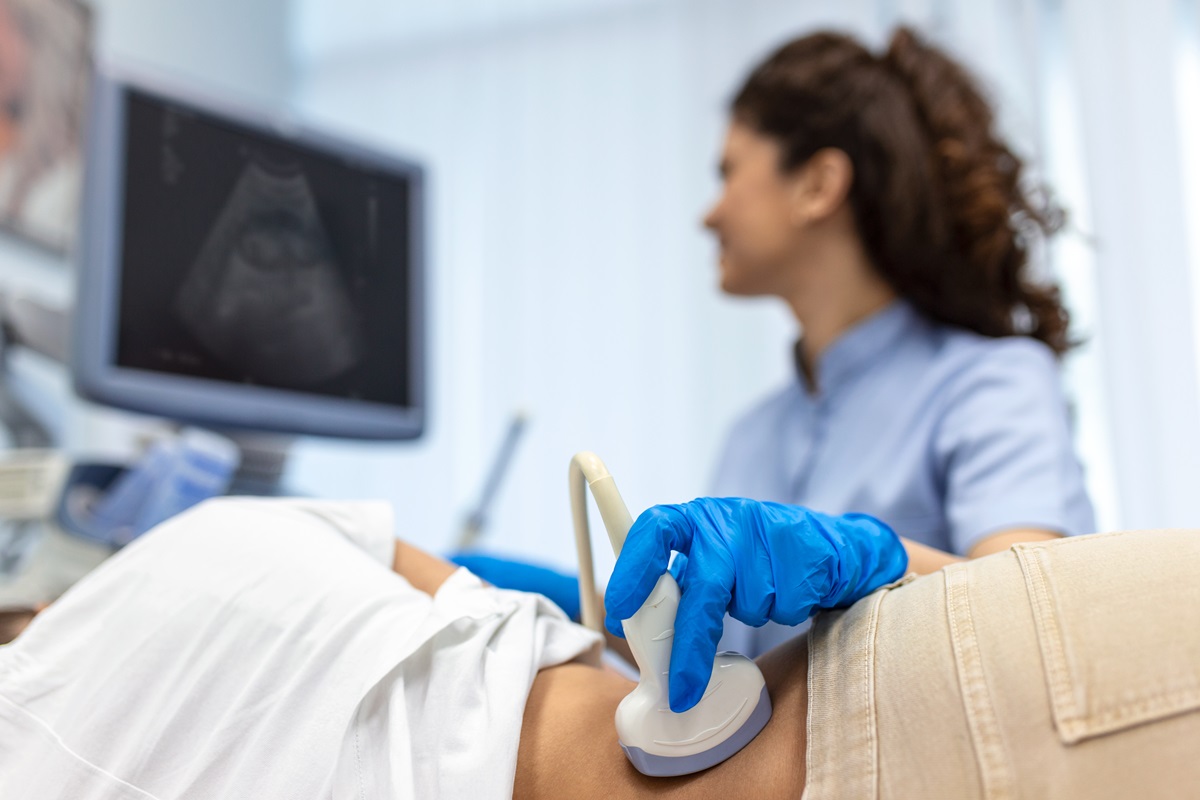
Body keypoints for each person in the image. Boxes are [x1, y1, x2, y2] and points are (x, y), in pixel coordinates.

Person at [3, 497, 1199, 798]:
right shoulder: (224, 535)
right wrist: (897, 563)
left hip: (930, 715)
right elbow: (502, 600)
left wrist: (879, 561)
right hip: (942, 681)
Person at [704, 26, 1095, 655]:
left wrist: (873, 560)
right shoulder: (748, 441)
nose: (709, 213)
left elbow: (1034, 616)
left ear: (818, 185)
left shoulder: (988, 384)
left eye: (728, 174)